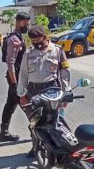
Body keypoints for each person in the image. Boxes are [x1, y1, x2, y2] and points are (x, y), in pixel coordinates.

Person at [18, 25, 71, 156]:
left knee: (55, 119)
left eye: (38, 40)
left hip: (52, 89)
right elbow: (23, 74)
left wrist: (66, 92)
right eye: (33, 41)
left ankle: (59, 147)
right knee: (35, 122)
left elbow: (65, 72)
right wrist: (22, 94)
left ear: (45, 36)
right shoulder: (28, 53)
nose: (36, 43)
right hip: (33, 91)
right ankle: (36, 147)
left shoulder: (57, 51)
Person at [0, 12, 31, 142]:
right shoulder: (14, 39)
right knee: (28, 106)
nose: (27, 26)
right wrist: (14, 83)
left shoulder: (18, 37)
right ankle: (40, 135)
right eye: (25, 23)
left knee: (10, 105)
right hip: (16, 77)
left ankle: (4, 133)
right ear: (18, 22)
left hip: (17, 76)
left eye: (28, 23)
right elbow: (10, 63)